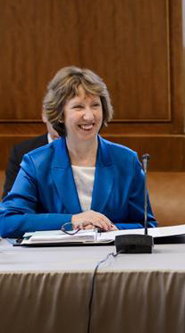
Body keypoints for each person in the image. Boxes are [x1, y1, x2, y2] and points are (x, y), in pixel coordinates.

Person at [0, 66, 157, 238]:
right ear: (60, 115)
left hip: (112, 258)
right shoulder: (36, 163)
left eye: (95, 105)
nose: (89, 116)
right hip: (56, 261)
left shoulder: (126, 160)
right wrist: (73, 220)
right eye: (78, 107)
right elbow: (7, 222)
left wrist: (112, 229)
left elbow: (147, 226)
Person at [2, 113, 60, 200]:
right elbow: (11, 202)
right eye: (56, 114)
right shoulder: (22, 152)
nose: (60, 124)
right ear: (44, 114)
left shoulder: (87, 149)